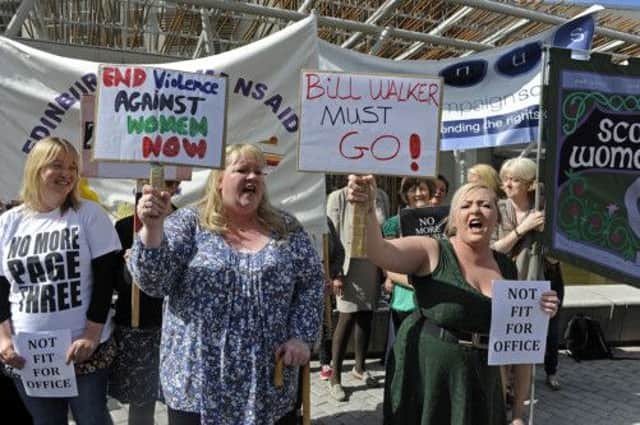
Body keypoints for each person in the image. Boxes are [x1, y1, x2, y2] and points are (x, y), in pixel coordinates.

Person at [127, 143, 324, 425]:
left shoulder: (286, 228)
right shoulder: (188, 224)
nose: (253, 177)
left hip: (268, 386)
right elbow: (153, 283)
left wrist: (301, 336)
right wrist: (153, 229)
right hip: (198, 388)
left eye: (259, 172)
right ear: (219, 181)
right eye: (242, 170)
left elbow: (311, 283)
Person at [347, 175, 559, 425]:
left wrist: (541, 308)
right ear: (454, 218)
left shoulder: (505, 266)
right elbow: (380, 252)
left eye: (485, 205)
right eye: (466, 205)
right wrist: (368, 208)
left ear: (497, 218)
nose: (475, 210)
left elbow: (516, 339)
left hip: (481, 377)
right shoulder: (432, 250)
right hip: (429, 372)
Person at [0, 136, 121, 425]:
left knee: (92, 419)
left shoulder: (88, 215)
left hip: (83, 354)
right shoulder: (9, 222)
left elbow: (107, 280)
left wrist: (90, 336)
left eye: (72, 167)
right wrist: (3, 340)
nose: (67, 174)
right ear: (36, 169)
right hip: (29, 357)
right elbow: (1, 286)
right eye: (57, 165)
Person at [108, 180, 180, 425]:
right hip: (137, 325)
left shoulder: (187, 225)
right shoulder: (125, 227)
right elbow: (114, 281)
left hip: (176, 326)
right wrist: (132, 267)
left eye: (167, 185)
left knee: (179, 402)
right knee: (141, 403)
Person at [492, 157, 547, 425]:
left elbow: (556, 261)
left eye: (514, 179)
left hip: (532, 288)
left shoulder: (542, 210)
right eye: (505, 178)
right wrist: (522, 229)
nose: (507, 184)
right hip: (501, 288)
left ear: (528, 183)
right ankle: (500, 409)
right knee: (502, 355)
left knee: (524, 356)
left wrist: (550, 239)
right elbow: (492, 250)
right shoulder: (496, 208)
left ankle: (518, 415)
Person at [326, 182, 389, 401]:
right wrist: (334, 273)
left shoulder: (379, 195)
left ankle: (359, 368)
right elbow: (331, 236)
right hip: (347, 266)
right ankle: (335, 378)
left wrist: (385, 269)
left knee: (366, 314)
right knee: (347, 317)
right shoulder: (337, 197)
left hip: (372, 263)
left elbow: (383, 228)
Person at [382, 177, 433, 335]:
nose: (418, 194)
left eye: (422, 189)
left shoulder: (441, 219)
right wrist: (389, 277)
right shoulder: (393, 223)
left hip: (434, 289)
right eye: (413, 190)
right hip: (405, 290)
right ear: (405, 194)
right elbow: (387, 256)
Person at [318, 217, 345, 381]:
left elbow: (339, 252)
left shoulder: (324, 221)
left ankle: (325, 361)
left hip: (324, 280)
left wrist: (332, 274)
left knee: (325, 322)